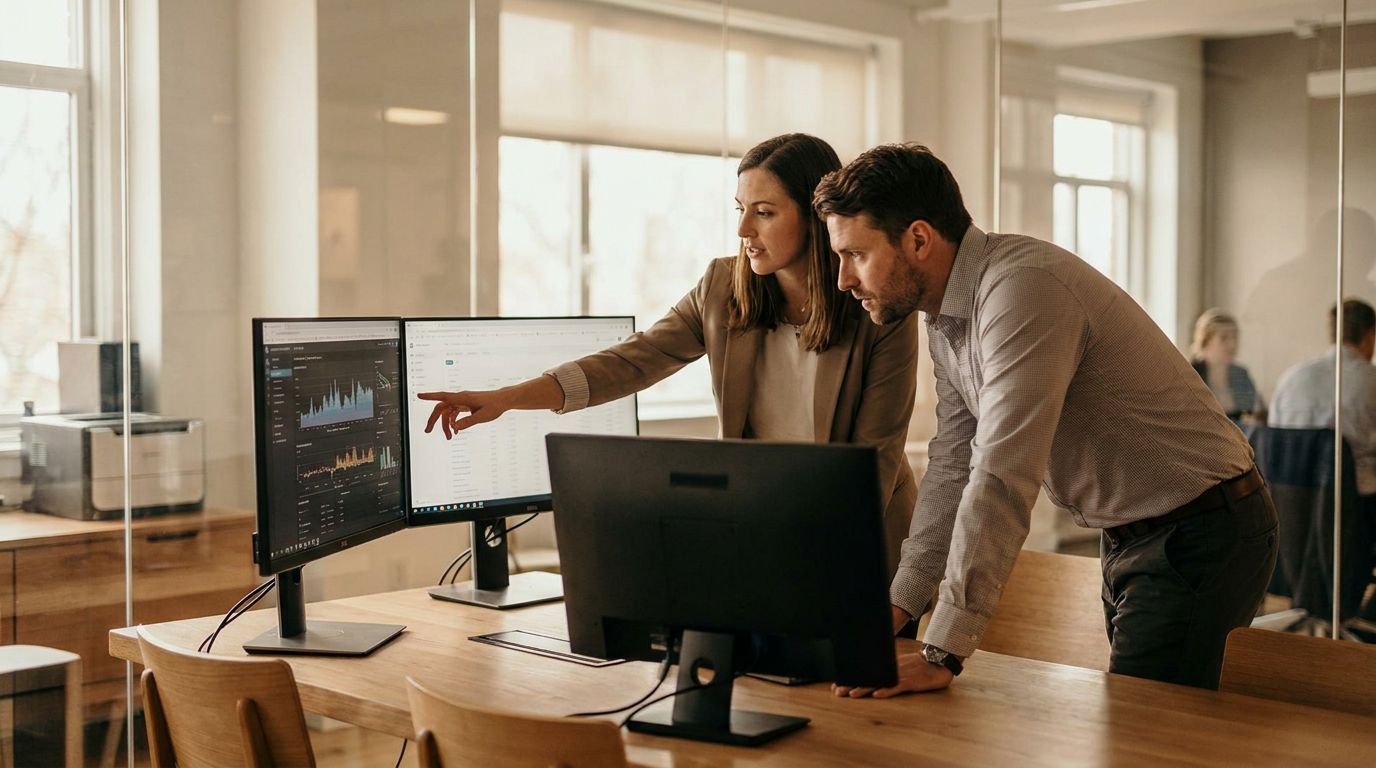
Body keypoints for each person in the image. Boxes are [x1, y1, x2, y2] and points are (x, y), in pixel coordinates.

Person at [811, 143, 1278, 694]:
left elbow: (1002, 473)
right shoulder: (946, 318)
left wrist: (942, 650)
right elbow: (954, 464)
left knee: (1145, 735)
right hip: (1136, 532)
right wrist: (900, 602)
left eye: (854, 255)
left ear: (918, 239)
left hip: (1200, 530)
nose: (842, 280)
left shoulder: (1022, 291)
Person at [418, 133, 922, 576]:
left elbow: (875, 458)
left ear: (817, 219)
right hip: (764, 528)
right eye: (740, 209)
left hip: (864, 540)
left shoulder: (878, 302)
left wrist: (808, 561)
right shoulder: (723, 287)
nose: (744, 229)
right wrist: (508, 398)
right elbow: (632, 360)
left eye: (764, 212)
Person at [1269, 300, 1376, 496]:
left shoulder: (1290, 378)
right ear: (1369, 335)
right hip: (1356, 508)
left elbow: (1275, 441)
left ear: (1332, 335)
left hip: (1292, 505)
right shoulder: (1372, 381)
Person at [1190, 308, 1265, 424]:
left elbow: (1256, 413)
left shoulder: (1241, 375)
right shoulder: (1190, 374)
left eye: (1235, 337)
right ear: (1205, 341)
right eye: (1224, 338)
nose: (1232, 345)